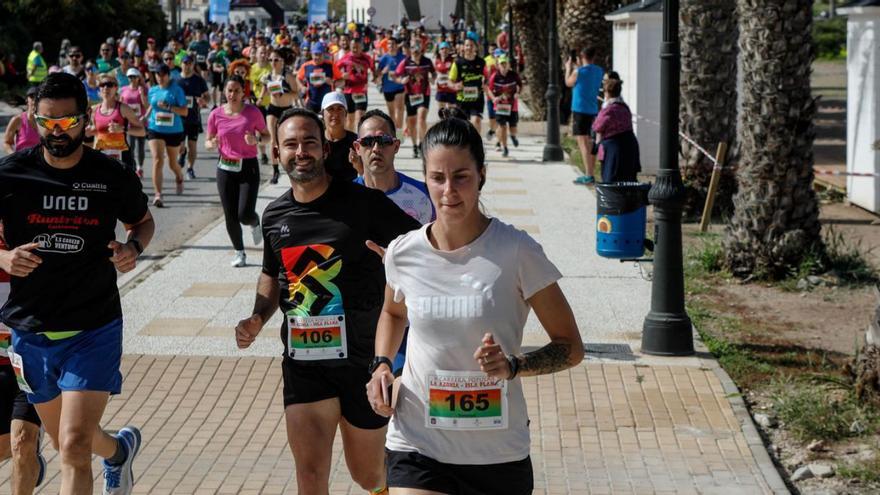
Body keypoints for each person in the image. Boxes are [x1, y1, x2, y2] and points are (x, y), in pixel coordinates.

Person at [366, 116, 584, 494]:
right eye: (437, 178)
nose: (449, 190)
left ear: (482, 175)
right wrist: (382, 365)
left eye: (461, 176)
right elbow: (393, 311)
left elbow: (570, 347)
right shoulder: (403, 252)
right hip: (418, 444)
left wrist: (514, 366)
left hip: (497, 454)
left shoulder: (516, 251)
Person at [234, 108, 420, 494]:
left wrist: (399, 269)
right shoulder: (275, 216)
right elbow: (272, 274)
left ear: (324, 149)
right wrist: (257, 317)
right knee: (311, 475)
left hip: (362, 365)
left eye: (309, 142)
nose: (300, 151)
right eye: (290, 144)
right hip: (305, 366)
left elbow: (423, 245)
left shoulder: (364, 204)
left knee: (367, 475)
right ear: (277, 153)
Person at [0, 71, 154, 495]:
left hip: (94, 327)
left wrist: (133, 249)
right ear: (34, 117)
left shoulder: (109, 174)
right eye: (49, 122)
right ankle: (119, 452)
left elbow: (141, 222)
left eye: (68, 122)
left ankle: (110, 453)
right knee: (65, 441)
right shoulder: (11, 175)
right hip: (31, 333)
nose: (58, 131)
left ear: (85, 120)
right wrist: (4, 257)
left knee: (72, 446)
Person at [0, 226, 46, 495]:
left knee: (23, 442)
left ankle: (30, 455)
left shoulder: (38, 239)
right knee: (8, 446)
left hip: (30, 358)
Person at [206, 76, 269, 268]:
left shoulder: (252, 112)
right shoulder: (216, 115)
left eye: (236, 91)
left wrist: (256, 141)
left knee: (244, 213)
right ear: (225, 92)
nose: (232, 94)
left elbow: (267, 136)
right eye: (229, 90)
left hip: (248, 167)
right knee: (230, 214)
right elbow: (207, 141)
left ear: (243, 93)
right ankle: (239, 252)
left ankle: (254, 221)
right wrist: (212, 144)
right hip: (224, 168)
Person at [353, 109, 435, 225]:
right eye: (367, 141)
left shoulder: (425, 197)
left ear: (396, 146)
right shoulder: (344, 199)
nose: (376, 148)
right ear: (357, 148)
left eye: (384, 141)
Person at [145, 64, 188, 207]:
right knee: (157, 159)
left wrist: (169, 107)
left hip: (174, 131)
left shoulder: (177, 90)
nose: (160, 77)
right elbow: (151, 106)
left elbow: (185, 112)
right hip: (155, 128)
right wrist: (144, 117)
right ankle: (158, 194)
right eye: (158, 74)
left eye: (163, 74)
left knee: (172, 163)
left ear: (168, 75)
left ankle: (179, 175)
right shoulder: (152, 90)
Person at [87, 74, 145, 171]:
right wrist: (89, 131)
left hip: (122, 157)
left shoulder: (123, 109)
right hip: (101, 156)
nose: (106, 88)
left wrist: (123, 129)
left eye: (109, 84)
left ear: (116, 88)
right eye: (102, 85)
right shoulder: (94, 110)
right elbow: (98, 133)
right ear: (99, 88)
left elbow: (142, 131)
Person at [259, 49, 299, 185]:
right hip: (273, 108)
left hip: (286, 109)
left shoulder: (287, 76)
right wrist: (259, 98)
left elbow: (296, 93)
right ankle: (275, 171)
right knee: (272, 140)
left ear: (282, 61)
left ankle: (290, 166)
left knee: (286, 141)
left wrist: (284, 94)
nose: (273, 62)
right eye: (270, 60)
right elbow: (264, 90)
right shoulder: (268, 76)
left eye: (276, 60)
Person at [565, 46, 604, 185]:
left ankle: (589, 174)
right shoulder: (599, 71)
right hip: (593, 109)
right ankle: (590, 172)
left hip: (579, 110)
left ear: (582, 57)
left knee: (583, 142)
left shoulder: (578, 71)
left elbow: (568, 82)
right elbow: (587, 77)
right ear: (594, 57)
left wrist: (568, 68)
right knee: (590, 141)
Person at [592, 78, 641, 183]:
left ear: (607, 92)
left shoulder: (608, 109)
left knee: (612, 180)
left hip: (614, 149)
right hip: (630, 145)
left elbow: (597, 126)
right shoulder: (624, 107)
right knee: (628, 178)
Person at [393, 42, 435, 158]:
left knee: (421, 118)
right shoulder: (405, 62)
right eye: (413, 51)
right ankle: (415, 146)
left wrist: (432, 78)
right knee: (411, 122)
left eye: (418, 51)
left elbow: (434, 73)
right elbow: (395, 75)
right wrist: (401, 81)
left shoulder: (427, 61)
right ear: (410, 51)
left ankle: (422, 144)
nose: (416, 54)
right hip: (410, 95)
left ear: (421, 51)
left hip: (424, 94)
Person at [176, 55, 211, 179]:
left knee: (192, 146)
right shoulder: (175, 80)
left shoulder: (199, 80)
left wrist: (203, 100)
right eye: (185, 63)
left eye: (190, 63)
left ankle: (190, 168)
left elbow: (208, 97)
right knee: (180, 147)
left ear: (193, 64)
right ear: (181, 64)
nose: (187, 65)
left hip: (193, 118)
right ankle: (182, 153)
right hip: (178, 119)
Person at [336, 36, 376, 131]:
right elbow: (335, 70)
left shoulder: (367, 58)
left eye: (357, 47)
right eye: (353, 47)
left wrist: (374, 77)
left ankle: (359, 141)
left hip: (361, 92)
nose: (355, 49)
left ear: (361, 47)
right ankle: (350, 141)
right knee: (350, 120)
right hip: (349, 91)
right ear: (350, 46)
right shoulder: (345, 58)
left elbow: (374, 71)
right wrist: (342, 75)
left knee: (360, 117)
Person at [448, 38, 488, 133]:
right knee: (462, 125)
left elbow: (487, 77)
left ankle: (476, 145)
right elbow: (449, 81)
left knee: (476, 121)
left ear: (475, 48)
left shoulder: (481, 62)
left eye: (471, 45)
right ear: (463, 47)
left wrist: (485, 83)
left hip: (477, 99)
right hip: (462, 100)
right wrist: (455, 86)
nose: (469, 47)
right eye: (467, 45)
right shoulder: (458, 63)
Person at [486, 55, 522, 157]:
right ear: (498, 65)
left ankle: (513, 136)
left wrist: (517, 93)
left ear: (508, 65)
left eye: (505, 63)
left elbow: (520, 85)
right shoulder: (494, 76)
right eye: (502, 64)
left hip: (512, 105)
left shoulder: (514, 75)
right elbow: (489, 89)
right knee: (502, 126)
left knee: (513, 127)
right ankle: (505, 148)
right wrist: (493, 98)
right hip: (500, 106)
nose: (504, 66)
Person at [321, 92, 359, 183]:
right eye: (330, 109)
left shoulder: (356, 142)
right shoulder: (316, 142)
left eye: (339, 109)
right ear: (322, 114)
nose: (335, 114)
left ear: (345, 113)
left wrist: (358, 165)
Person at [297, 42, 342, 114]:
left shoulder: (330, 65)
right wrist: (302, 87)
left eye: (320, 54)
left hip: (328, 101)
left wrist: (333, 82)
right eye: (315, 54)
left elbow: (342, 81)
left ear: (324, 54)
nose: (317, 57)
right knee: (311, 123)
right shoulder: (306, 66)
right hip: (311, 102)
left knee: (326, 124)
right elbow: (298, 78)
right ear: (311, 54)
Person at [120, 68, 149, 177]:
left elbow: (146, 106)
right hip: (129, 123)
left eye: (134, 77)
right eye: (130, 77)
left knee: (140, 147)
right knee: (130, 146)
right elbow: (121, 104)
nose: (132, 79)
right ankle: (133, 166)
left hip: (140, 122)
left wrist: (142, 95)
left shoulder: (143, 89)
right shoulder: (123, 89)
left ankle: (140, 167)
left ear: (138, 78)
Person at [248, 46, 272, 166]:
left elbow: (268, 85)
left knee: (272, 130)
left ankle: (275, 154)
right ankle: (263, 154)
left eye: (265, 52)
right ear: (256, 55)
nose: (263, 55)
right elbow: (250, 84)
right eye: (261, 53)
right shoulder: (252, 68)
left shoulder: (270, 68)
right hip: (256, 103)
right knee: (259, 130)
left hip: (270, 102)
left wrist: (261, 97)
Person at [377, 37, 406, 131]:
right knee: (392, 112)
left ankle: (399, 133)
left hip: (399, 86)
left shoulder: (403, 57)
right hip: (387, 88)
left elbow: (408, 70)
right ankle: (394, 132)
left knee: (400, 109)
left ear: (397, 45)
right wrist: (383, 72)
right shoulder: (383, 58)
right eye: (389, 44)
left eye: (393, 44)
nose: (391, 46)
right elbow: (377, 75)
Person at [3, 86, 40, 153]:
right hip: (22, 160)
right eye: (32, 97)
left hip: (40, 161)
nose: (34, 100)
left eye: (38, 97)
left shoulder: (46, 120)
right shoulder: (18, 120)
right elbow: (7, 142)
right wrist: (14, 156)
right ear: (27, 100)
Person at [433, 42, 457, 113]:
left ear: (449, 50)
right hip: (441, 90)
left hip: (451, 90)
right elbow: (435, 73)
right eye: (442, 49)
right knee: (442, 112)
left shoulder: (453, 60)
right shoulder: (437, 60)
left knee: (452, 113)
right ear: (439, 51)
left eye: (446, 48)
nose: (444, 50)